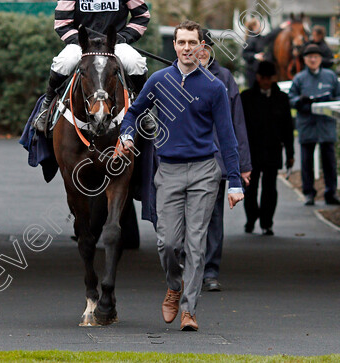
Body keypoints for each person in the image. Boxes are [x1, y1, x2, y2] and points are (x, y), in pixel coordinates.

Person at [118, 20, 243, 332]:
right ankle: (174, 287)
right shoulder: (159, 81)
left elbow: (227, 137)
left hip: (204, 171)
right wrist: (128, 134)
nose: (187, 48)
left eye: (192, 43)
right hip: (169, 170)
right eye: (181, 42)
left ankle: (189, 310)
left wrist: (236, 181)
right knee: (169, 243)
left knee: (196, 244)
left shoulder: (214, 87)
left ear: (202, 47)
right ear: (173, 46)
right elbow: (133, 112)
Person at [33, 0, 151, 133]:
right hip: (82, 45)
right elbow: (62, 23)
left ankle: (145, 112)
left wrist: (123, 37)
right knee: (64, 62)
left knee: (136, 63)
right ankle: (46, 107)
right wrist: (81, 42)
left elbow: (142, 16)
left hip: (115, 45)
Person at [197, 37, 251, 293]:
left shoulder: (224, 78)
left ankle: (210, 271)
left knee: (214, 218)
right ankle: (188, 265)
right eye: (197, 47)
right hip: (184, 160)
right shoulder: (174, 76)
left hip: (216, 160)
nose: (201, 52)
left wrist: (242, 165)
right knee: (183, 219)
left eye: (206, 48)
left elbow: (237, 122)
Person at [240, 61, 295, 235]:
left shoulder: (281, 99)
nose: (265, 81)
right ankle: (251, 219)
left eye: (268, 78)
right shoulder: (247, 98)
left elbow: (288, 127)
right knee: (250, 188)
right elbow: (240, 127)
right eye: (262, 77)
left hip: (273, 150)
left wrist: (290, 153)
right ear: (257, 77)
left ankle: (266, 222)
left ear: (273, 78)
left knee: (270, 189)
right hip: (252, 151)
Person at [288, 43, 340, 206]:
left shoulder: (330, 76)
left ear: (320, 59)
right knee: (306, 162)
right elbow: (291, 99)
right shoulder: (299, 78)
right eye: (309, 57)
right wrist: (301, 101)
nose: (313, 59)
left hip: (326, 124)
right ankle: (308, 193)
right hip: (307, 124)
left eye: (316, 57)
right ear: (305, 60)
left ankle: (331, 192)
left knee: (329, 161)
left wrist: (330, 102)